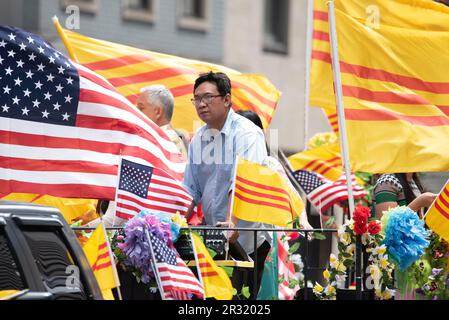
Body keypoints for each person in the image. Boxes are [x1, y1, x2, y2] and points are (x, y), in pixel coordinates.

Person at [183, 71, 270, 298]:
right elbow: (190, 189)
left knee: (238, 301)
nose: (201, 104)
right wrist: (175, 222)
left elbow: (242, 181)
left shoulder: (247, 133)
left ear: (227, 99)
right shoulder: (198, 140)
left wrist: (232, 222)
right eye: (197, 99)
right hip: (214, 239)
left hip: (248, 239)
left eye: (208, 97)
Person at [235, 110, 313, 232]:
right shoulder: (225, 164)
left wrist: (303, 220)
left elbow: (292, 194)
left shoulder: (269, 164)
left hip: (262, 237)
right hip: (230, 235)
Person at [136, 84, 188, 159]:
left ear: (158, 112)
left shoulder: (167, 140)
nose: (136, 112)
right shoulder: (175, 137)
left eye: (141, 108)